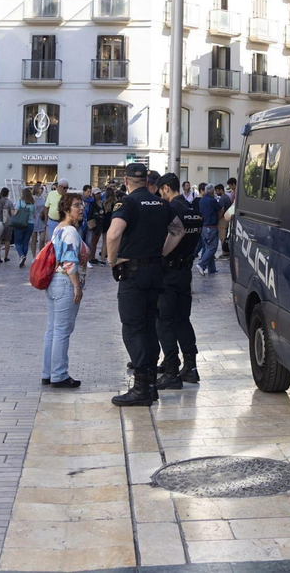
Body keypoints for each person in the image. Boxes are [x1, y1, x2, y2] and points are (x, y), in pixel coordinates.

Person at [105, 163, 184, 406]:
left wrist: (112, 260)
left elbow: (113, 234)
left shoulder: (127, 203)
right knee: (150, 325)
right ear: (146, 180)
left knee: (133, 326)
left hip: (134, 274)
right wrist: (160, 253)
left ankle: (142, 386)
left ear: (127, 180)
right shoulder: (161, 203)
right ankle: (150, 383)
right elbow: (178, 230)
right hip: (155, 272)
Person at [155, 174, 202, 389]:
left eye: (160, 191)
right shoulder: (193, 209)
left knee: (164, 320)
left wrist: (160, 255)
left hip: (170, 271)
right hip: (186, 270)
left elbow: (174, 234)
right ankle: (190, 367)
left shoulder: (171, 209)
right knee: (183, 319)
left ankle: (171, 369)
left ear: (166, 188)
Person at [42, 192, 88, 389]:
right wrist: (77, 285)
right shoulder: (69, 231)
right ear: (66, 209)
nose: (81, 209)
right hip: (65, 283)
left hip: (54, 282)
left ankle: (49, 372)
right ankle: (59, 374)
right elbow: (69, 262)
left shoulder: (59, 229)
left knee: (53, 329)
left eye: (82, 205)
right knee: (62, 330)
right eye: (77, 205)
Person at [195, 183, 223, 276]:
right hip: (212, 227)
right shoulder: (212, 200)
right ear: (212, 191)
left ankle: (212, 269)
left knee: (207, 247)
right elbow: (221, 209)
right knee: (212, 248)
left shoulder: (201, 200)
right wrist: (218, 219)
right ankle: (201, 265)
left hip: (204, 227)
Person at [10, 187, 36, 267]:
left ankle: (21, 256)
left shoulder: (20, 202)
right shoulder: (32, 204)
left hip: (20, 224)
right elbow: (34, 215)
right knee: (25, 243)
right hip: (30, 224)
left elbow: (15, 213)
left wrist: (12, 211)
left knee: (17, 242)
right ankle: (23, 259)